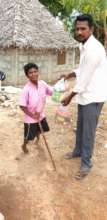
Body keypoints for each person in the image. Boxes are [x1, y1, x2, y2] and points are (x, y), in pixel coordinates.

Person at [62, 14, 107, 179]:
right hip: (85, 95)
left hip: (93, 96)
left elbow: (86, 78)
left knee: (88, 131)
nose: (79, 32)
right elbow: (83, 68)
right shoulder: (84, 46)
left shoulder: (94, 49)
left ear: (91, 30)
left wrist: (69, 96)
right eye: (77, 29)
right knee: (80, 126)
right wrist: (71, 73)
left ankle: (86, 164)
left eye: (83, 29)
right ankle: (78, 151)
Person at [20, 63, 53, 153]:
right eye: (30, 73)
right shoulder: (26, 90)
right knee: (29, 136)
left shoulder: (42, 84)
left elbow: (51, 92)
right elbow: (22, 106)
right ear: (27, 75)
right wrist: (33, 115)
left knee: (41, 129)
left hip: (41, 115)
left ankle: (38, 138)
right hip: (31, 118)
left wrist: (60, 85)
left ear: (38, 72)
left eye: (35, 71)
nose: (34, 74)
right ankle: (24, 145)